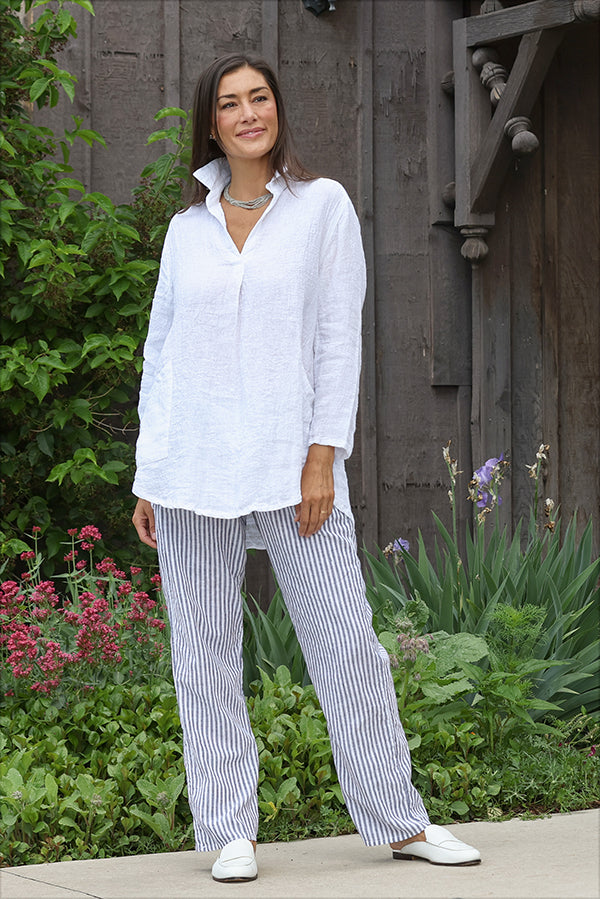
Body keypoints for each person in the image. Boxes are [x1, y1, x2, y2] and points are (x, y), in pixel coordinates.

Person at [132, 52, 481, 884]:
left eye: (259, 97)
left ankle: (399, 820)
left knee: (345, 642)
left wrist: (323, 455)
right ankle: (229, 830)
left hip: (292, 465)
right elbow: (161, 356)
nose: (248, 113)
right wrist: (148, 473)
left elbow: (336, 337)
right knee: (203, 654)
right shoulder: (187, 230)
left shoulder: (322, 206)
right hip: (190, 469)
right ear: (211, 123)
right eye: (230, 103)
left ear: (277, 109)